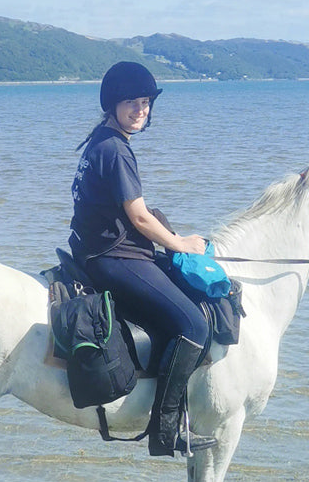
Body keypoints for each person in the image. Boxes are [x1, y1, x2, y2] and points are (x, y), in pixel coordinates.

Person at [68, 61, 216, 457]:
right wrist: (179, 242)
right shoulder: (116, 150)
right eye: (131, 102)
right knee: (194, 325)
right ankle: (165, 431)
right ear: (114, 105)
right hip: (112, 258)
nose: (140, 110)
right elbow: (137, 215)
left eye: (146, 102)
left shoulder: (99, 141)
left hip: (94, 249)